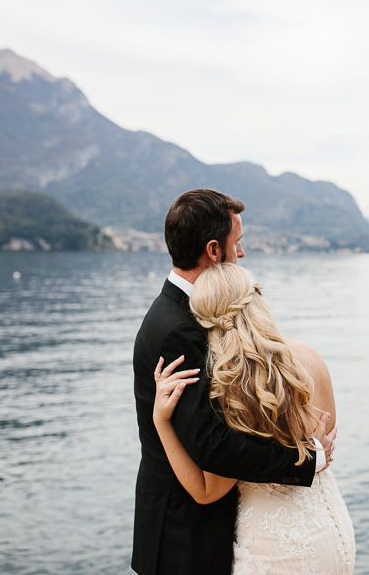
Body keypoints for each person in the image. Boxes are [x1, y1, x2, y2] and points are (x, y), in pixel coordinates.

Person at [131, 189, 335, 574]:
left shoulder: (183, 315)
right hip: (185, 538)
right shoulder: (179, 330)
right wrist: (306, 460)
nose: (241, 253)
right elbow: (214, 446)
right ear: (213, 250)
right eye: (236, 243)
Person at [153, 262, 355, 574]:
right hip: (332, 531)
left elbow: (207, 491)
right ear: (257, 298)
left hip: (277, 548)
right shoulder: (308, 357)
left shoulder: (233, 389)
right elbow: (323, 448)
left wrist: (162, 423)